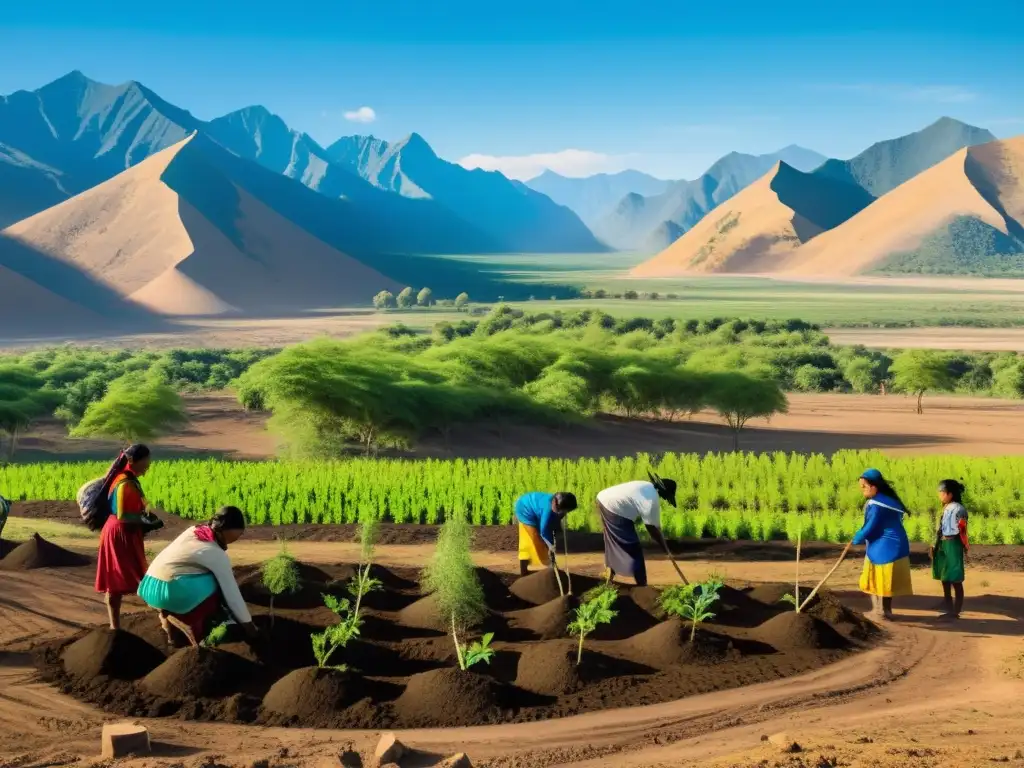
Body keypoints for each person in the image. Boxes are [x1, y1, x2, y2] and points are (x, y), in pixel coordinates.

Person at [138, 505, 257, 647]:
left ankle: (169, 625)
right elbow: (232, 595)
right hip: (169, 592)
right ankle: (195, 629)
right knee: (216, 582)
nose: (239, 536)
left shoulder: (194, 531)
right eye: (239, 532)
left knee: (199, 576)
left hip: (149, 586)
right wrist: (250, 627)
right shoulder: (215, 553)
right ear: (228, 529)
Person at [95, 444, 157, 630]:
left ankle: (116, 627)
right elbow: (123, 515)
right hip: (120, 532)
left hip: (122, 531)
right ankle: (166, 618)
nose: (147, 468)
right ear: (131, 461)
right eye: (145, 464)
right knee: (132, 578)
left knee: (122, 580)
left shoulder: (127, 479)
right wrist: (146, 520)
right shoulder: (125, 482)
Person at [596, 471, 676, 588]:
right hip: (615, 508)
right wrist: (665, 548)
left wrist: (663, 543)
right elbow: (652, 530)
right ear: (664, 492)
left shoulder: (646, 486)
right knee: (632, 545)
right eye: (666, 496)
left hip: (602, 499)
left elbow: (655, 527)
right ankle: (642, 585)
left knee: (612, 539)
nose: (664, 499)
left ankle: (610, 571)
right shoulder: (651, 500)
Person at [852, 468, 912, 621]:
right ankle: (885, 610)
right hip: (893, 545)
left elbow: (870, 525)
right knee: (883, 580)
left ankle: (879, 611)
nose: (863, 490)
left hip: (884, 547)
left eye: (864, 487)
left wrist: (857, 538)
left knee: (877, 578)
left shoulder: (876, 505)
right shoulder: (891, 501)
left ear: (874, 486)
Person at [513, 491, 578, 576]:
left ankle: (551, 566)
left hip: (535, 509)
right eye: (565, 511)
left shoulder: (557, 504)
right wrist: (551, 545)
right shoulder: (547, 510)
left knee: (545, 542)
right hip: (524, 510)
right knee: (533, 541)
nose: (566, 513)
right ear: (556, 505)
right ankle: (527, 572)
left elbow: (555, 522)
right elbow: (543, 531)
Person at [931, 479, 968, 620]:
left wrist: (965, 546)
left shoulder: (959, 509)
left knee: (955, 578)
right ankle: (949, 609)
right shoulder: (946, 508)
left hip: (953, 543)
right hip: (944, 544)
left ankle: (955, 612)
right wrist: (935, 545)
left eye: (942, 492)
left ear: (950, 494)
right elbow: (939, 529)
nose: (940, 494)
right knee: (945, 578)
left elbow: (963, 530)